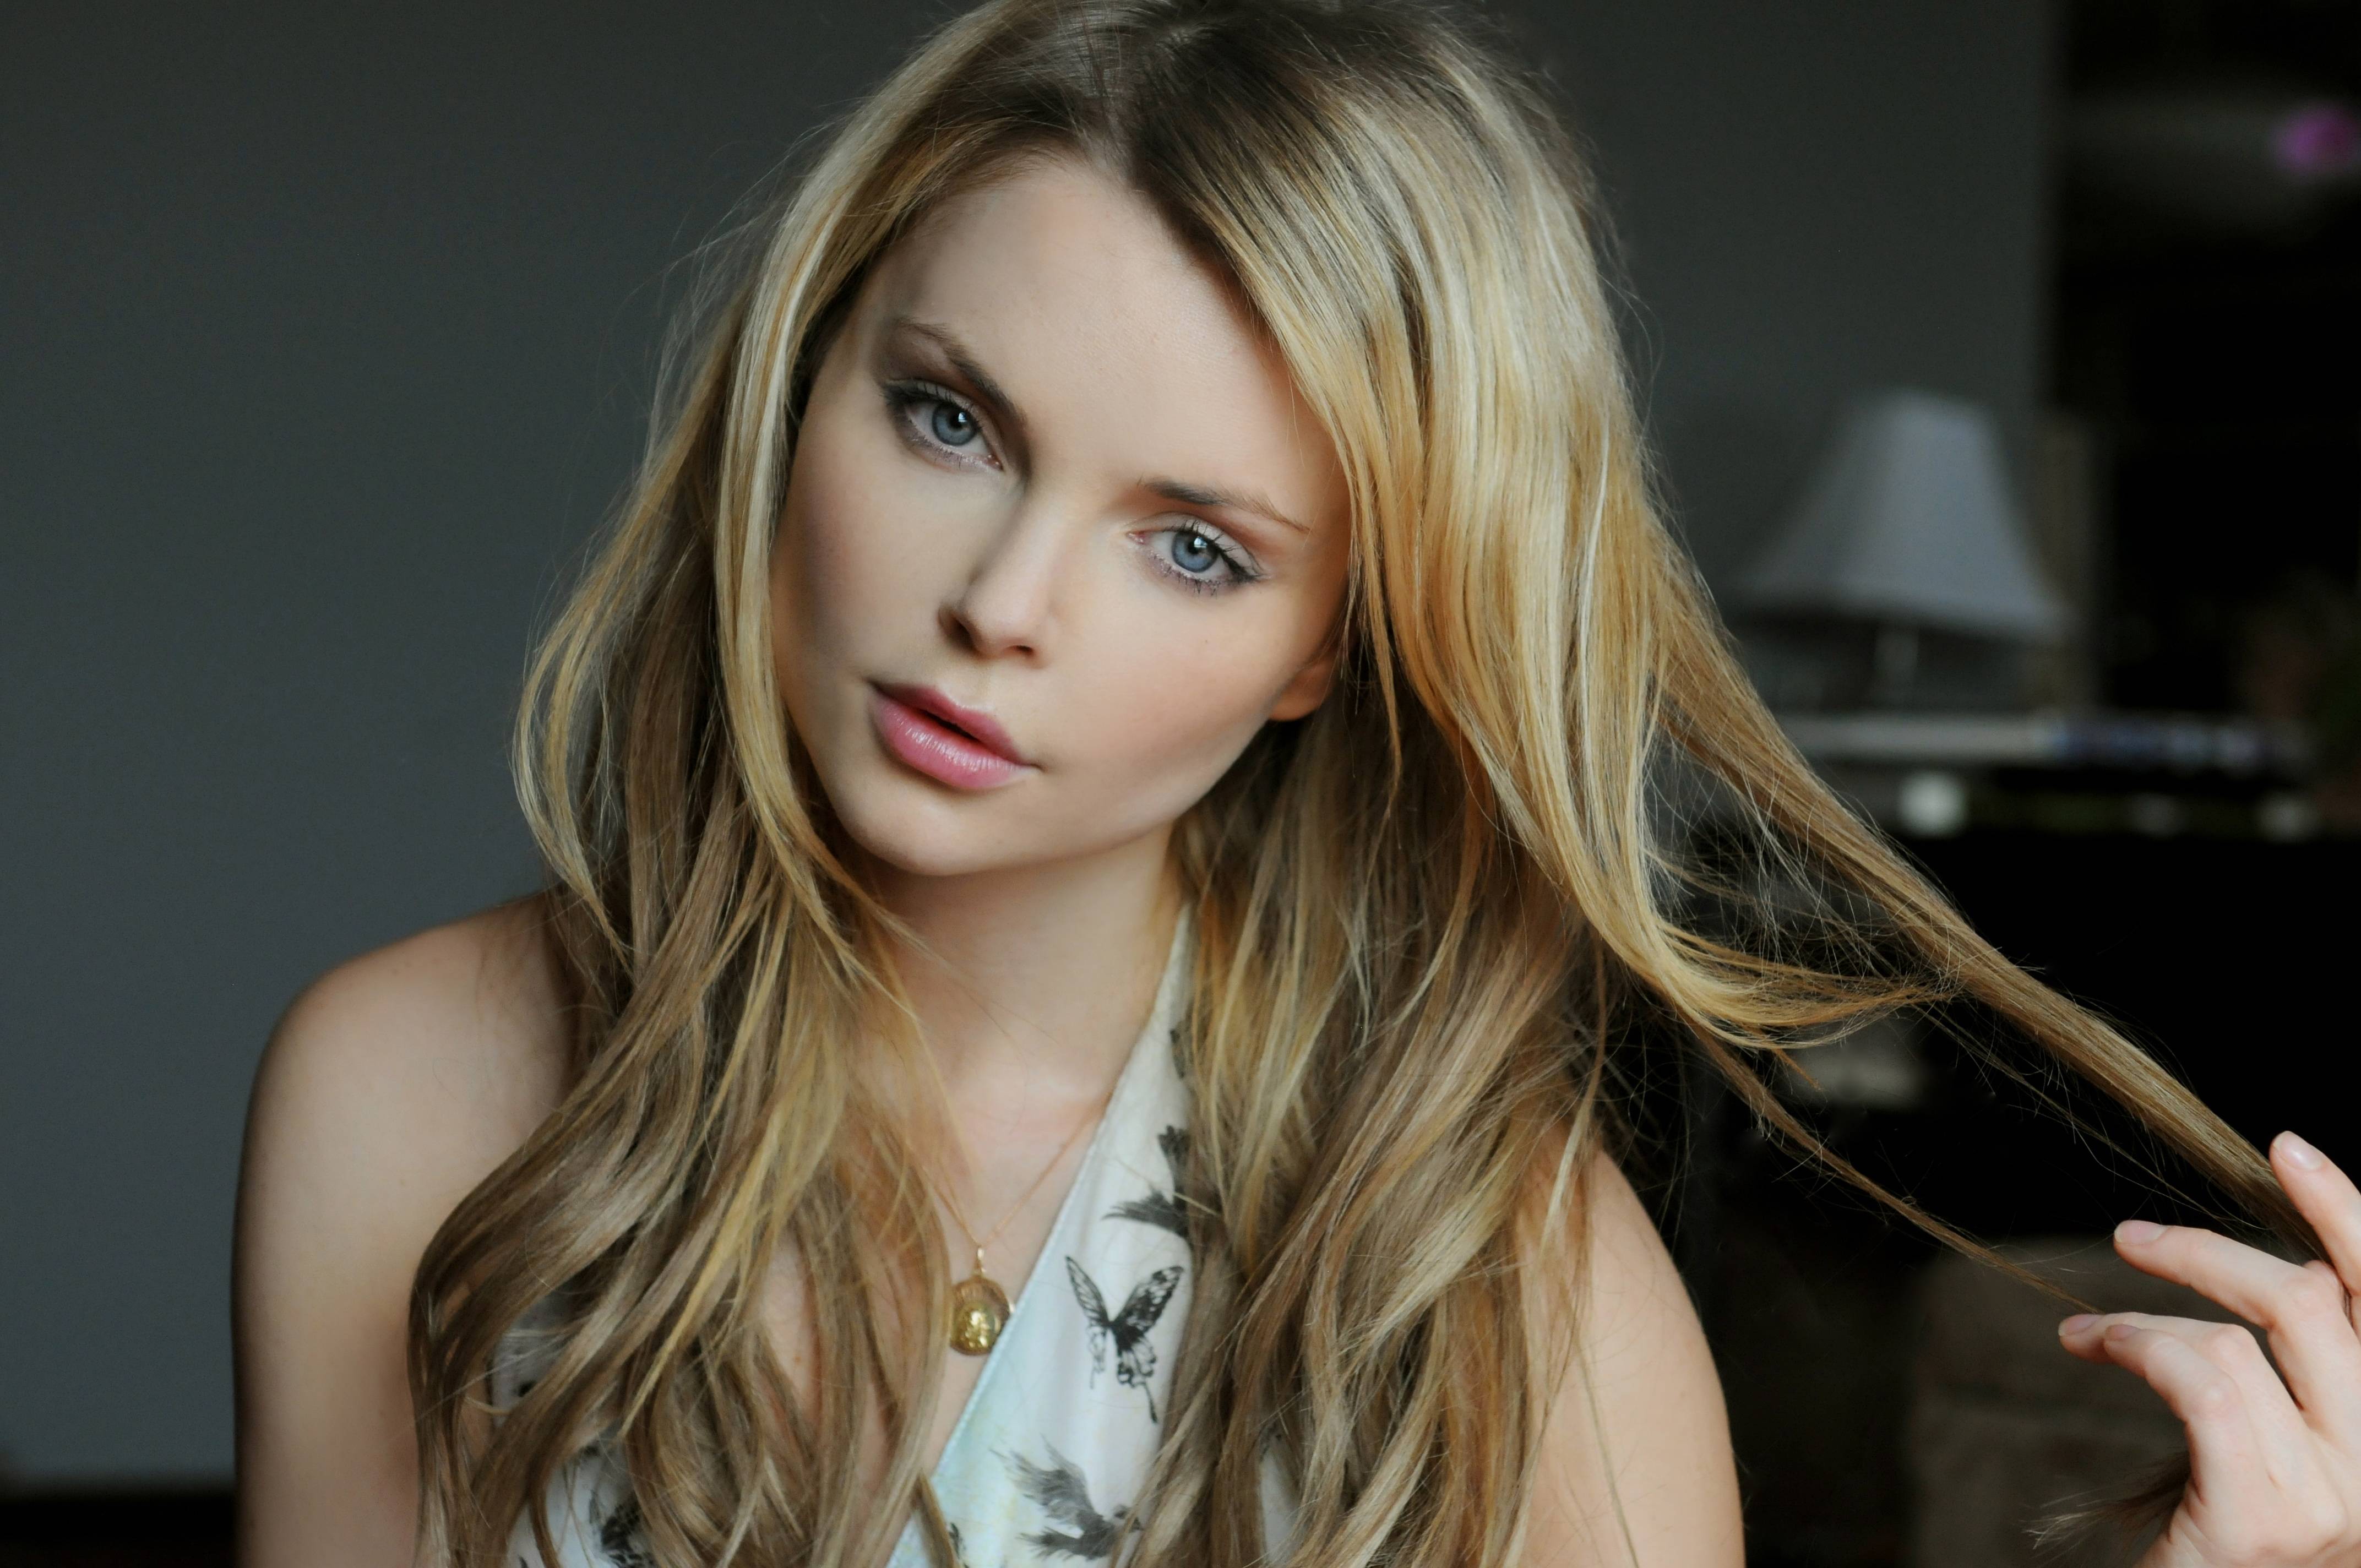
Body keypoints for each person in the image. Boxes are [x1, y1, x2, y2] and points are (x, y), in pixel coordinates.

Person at [230, 0, 2361, 1564]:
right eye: (952, 419)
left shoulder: (1491, 1273)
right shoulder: (410, 1091)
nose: (1000, 603)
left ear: (1326, 647)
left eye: (1194, 546)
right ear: (806, 386)